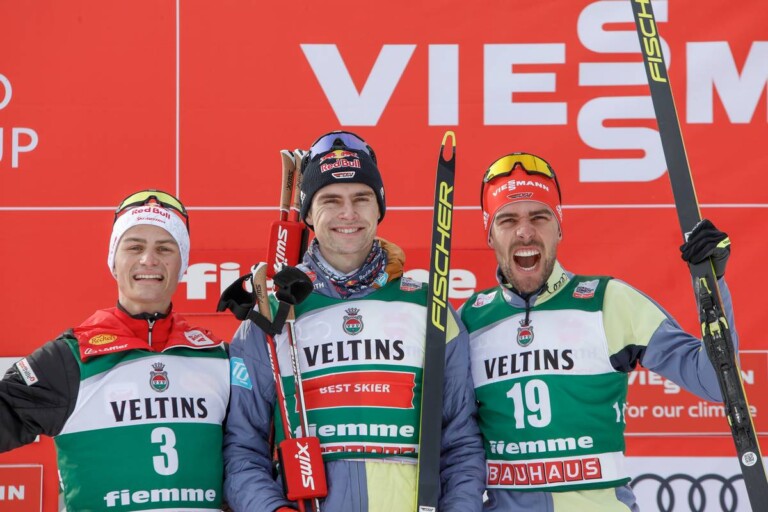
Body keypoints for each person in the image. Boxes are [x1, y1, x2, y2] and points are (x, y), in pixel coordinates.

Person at [223, 131, 485, 512]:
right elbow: (243, 450)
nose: (348, 213)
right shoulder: (270, 314)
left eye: (361, 198)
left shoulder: (430, 308)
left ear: (379, 207)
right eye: (331, 200)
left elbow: (461, 444)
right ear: (309, 214)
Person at [460, 152, 737, 512]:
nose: (524, 231)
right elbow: (452, 439)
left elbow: (716, 383)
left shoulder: (608, 302)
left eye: (540, 217)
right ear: (491, 235)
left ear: (559, 227)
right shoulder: (469, 320)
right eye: (507, 219)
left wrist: (713, 283)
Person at [0, 190, 230, 511]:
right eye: (134, 247)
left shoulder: (219, 358)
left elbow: (254, 458)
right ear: (113, 260)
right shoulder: (71, 358)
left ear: (182, 263)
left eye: (164, 248)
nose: (148, 260)